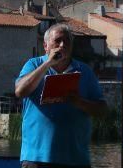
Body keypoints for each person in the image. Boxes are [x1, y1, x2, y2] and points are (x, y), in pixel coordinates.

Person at [15, 23, 107, 168]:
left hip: (75, 159)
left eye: (67, 41)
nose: (63, 45)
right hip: (37, 158)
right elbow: (20, 91)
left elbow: (103, 110)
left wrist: (80, 103)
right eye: (57, 40)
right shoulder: (33, 65)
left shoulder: (85, 71)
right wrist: (48, 63)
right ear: (46, 46)